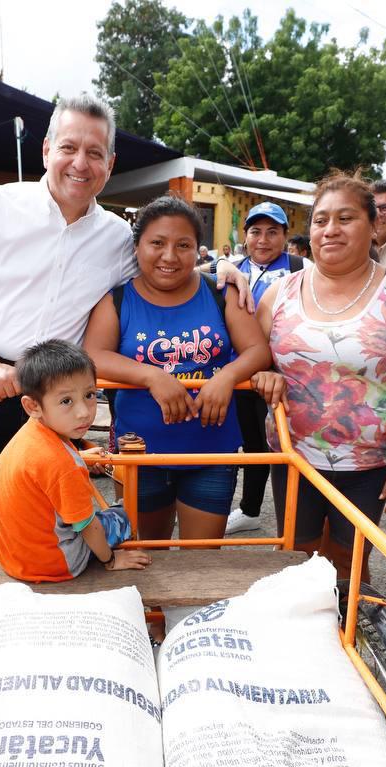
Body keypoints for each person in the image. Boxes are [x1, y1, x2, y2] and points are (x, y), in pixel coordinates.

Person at [0, 94, 248, 551]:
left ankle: (54, 600)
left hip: (64, 389)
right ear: (46, 150)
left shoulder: (118, 237)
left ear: (110, 162)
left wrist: (218, 271)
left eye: (95, 153)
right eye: (68, 147)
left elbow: (160, 268)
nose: (80, 163)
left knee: (61, 505)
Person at [253, 171, 386, 582]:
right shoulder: (279, 291)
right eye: (320, 220)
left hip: (367, 463)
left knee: (349, 562)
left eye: (346, 218)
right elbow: (252, 355)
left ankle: (352, 636)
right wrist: (263, 374)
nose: (330, 230)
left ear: (374, 226)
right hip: (293, 457)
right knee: (298, 559)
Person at [85, 195, 271, 542]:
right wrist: (152, 376)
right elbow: (93, 355)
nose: (170, 256)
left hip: (212, 451)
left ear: (198, 249)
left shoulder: (221, 293)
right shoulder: (117, 299)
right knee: (146, 558)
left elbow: (258, 350)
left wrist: (227, 376)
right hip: (138, 452)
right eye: (157, 243)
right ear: (137, 246)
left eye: (183, 245)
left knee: (199, 564)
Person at [0, 339, 150, 581]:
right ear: (33, 406)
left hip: (15, 558)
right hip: (55, 563)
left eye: (90, 395)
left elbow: (44, 470)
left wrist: (79, 456)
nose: (84, 411)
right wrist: (111, 559)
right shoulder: (62, 464)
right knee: (124, 515)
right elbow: (85, 526)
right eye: (66, 401)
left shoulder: (30, 436)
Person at [225, 202, 307, 535]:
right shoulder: (232, 268)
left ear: (285, 236)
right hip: (237, 373)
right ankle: (248, 509)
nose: (263, 239)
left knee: (280, 445)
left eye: (272, 232)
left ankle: (297, 522)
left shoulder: (302, 268)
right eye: (256, 231)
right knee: (244, 442)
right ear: (245, 235)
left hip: (280, 379)